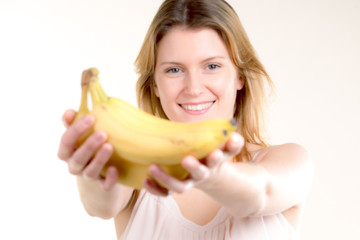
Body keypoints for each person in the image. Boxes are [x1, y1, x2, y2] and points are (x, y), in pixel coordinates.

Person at [58, 0, 313, 239]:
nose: (193, 88)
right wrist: (91, 172)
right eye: (174, 70)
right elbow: (100, 206)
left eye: (212, 66)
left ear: (239, 77)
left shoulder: (290, 160)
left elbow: (260, 193)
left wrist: (211, 176)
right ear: (155, 85)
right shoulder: (138, 172)